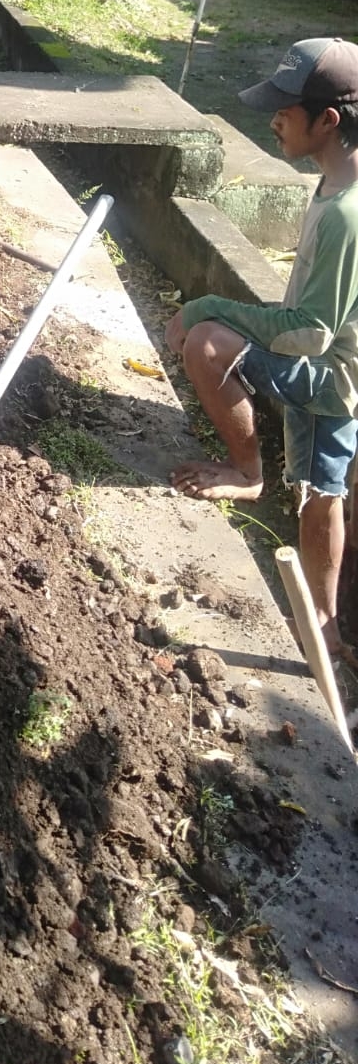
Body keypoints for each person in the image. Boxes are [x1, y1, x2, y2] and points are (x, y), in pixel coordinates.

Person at [165, 38, 358, 659]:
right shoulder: (336, 184)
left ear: (327, 120)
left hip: (334, 378)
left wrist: (208, 306)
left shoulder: (345, 214)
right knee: (329, 483)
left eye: (285, 111)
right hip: (334, 356)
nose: (273, 120)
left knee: (321, 490)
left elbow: (311, 332)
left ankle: (323, 622)